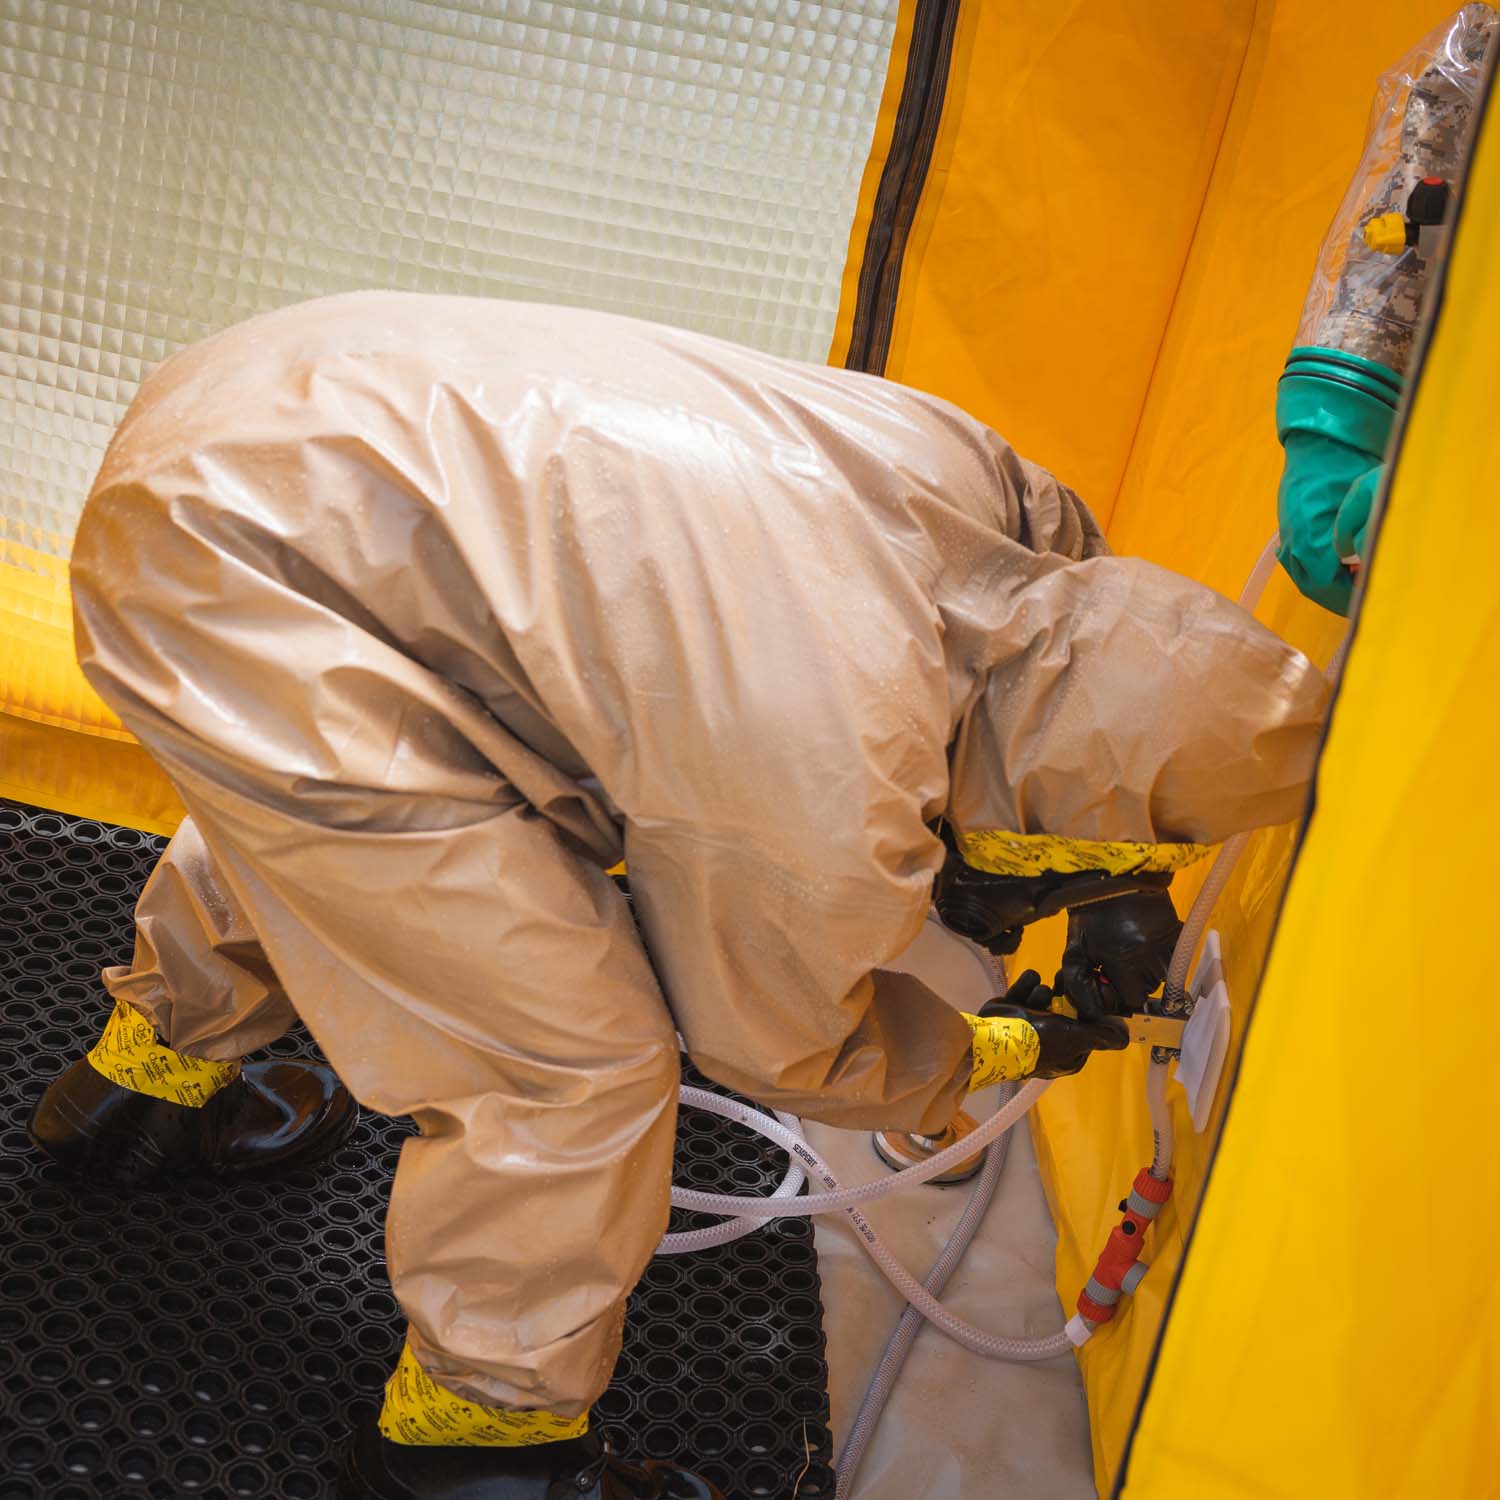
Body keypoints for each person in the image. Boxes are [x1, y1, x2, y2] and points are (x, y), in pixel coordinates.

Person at [28, 292, 1328, 1499]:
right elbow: (775, 1039)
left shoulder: (1001, 495)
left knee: (358, 830)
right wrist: (993, 1044)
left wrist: (1125, 875)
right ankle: (479, 1448)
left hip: (288, 419)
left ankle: (138, 1096)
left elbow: (1112, 698)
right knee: (575, 1063)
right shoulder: (839, 764)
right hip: (234, 563)